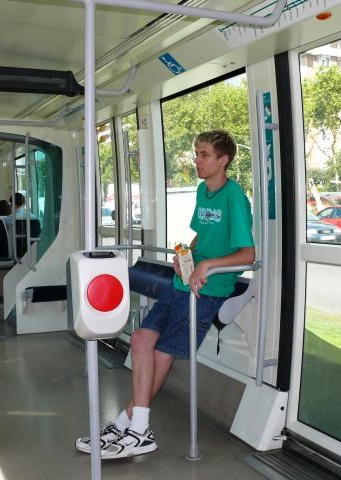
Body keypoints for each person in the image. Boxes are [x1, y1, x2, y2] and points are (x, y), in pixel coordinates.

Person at [75, 130, 255, 459]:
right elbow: (201, 235)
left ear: (223, 160)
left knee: (161, 355)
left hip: (206, 292)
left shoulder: (234, 197)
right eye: (196, 153)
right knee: (141, 339)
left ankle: (131, 426)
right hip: (181, 284)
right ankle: (133, 426)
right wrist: (187, 255)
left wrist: (207, 265)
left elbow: (247, 254)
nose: (197, 160)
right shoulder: (203, 191)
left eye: (204, 154)